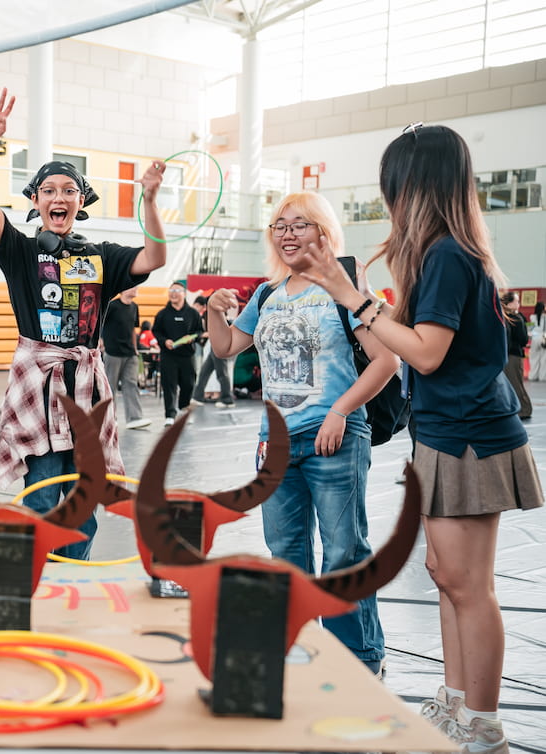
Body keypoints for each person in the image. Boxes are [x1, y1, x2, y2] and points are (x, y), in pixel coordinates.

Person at [299, 124, 543, 754]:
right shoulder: (441, 256)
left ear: (415, 187)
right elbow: (401, 350)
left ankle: (484, 722)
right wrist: (350, 302)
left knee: (469, 585)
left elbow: (428, 355)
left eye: (392, 188)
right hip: (440, 434)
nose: (388, 202)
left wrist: (351, 294)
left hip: (470, 439)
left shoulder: (447, 258)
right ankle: (458, 700)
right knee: (445, 573)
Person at [207, 191, 398, 678]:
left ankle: (359, 660)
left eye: (300, 224)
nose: (288, 233)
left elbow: (386, 361)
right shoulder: (269, 294)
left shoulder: (345, 287)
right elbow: (228, 347)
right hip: (275, 444)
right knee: (286, 552)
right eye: (280, 225)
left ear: (323, 232)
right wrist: (213, 310)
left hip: (333, 435)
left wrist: (340, 411)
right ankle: (301, 647)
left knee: (343, 552)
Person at [0, 87, 167, 560]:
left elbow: (156, 257)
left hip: (88, 394)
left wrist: (149, 199)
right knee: (41, 500)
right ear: (36, 201)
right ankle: (40, 582)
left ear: (81, 202)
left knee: (83, 507)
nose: (59, 198)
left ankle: (72, 581)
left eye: (69, 191)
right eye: (49, 191)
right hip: (38, 391)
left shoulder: (101, 256)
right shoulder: (20, 252)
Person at [152, 281, 203, 426]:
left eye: (177, 290)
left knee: (188, 384)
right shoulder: (162, 314)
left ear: (184, 294)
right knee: (169, 385)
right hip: (168, 356)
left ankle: (183, 408)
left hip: (187, 355)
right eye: (171, 290)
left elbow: (199, 331)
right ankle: (170, 414)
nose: (173, 293)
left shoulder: (193, 313)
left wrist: (192, 338)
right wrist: (164, 341)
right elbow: (156, 331)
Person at [101, 287, 150, 429]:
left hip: (130, 353)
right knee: (110, 386)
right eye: (132, 287)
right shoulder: (112, 305)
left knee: (131, 384)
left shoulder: (135, 307)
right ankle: (109, 418)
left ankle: (134, 418)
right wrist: (101, 341)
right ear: (122, 290)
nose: (135, 289)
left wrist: (135, 348)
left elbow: (133, 330)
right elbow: (100, 323)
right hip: (113, 352)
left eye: (136, 287)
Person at [192, 295, 237, 408]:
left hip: (219, 345)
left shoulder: (218, 313)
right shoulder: (211, 313)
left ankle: (227, 399)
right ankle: (198, 397)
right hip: (213, 344)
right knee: (205, 372)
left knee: (221, 372)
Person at [500, 292, 532, 420]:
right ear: (509, 303)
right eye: (516, 301)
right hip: (510, 354)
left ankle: (525, 409)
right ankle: (519, 408)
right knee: (512, 383)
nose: (518, 304)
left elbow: (523, 339)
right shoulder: (510, 317)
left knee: (515, 383)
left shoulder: (516, 318)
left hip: (513, 355)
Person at [528, 301, 546, 381]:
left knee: (533, 359)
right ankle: (543, 377)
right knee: (544, 359)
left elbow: (529, 330)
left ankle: (533, 376)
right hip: (543, 339)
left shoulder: (531, 317)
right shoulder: (545, 317)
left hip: (534, 339)